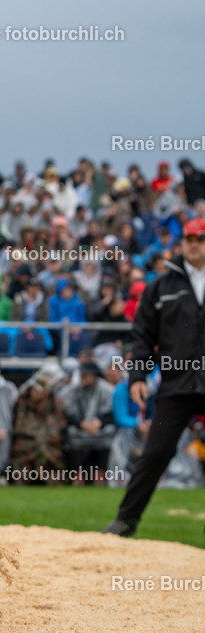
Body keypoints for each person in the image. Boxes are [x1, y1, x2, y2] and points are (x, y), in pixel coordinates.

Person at [103, 217, 205, 535]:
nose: (194, 243)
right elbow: (144, 336)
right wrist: (137, 377)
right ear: (181, 243)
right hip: (176, 383)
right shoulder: (161, 286)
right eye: (189, 238)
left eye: (200, 238)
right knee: (156, 451)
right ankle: (126, 519)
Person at [60, 359, 116, 484]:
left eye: (86, 374)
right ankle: (77, 474)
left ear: (94, 376)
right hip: (79, 427)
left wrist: (99, 422)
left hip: (99, 428)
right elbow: (68, 411)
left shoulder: (105, 389)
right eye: (81, 373)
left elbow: (110, 411)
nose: (82, 376)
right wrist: (81, 423)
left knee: (110, 431)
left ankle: (101, 473)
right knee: (70, 432)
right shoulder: (73, 389)